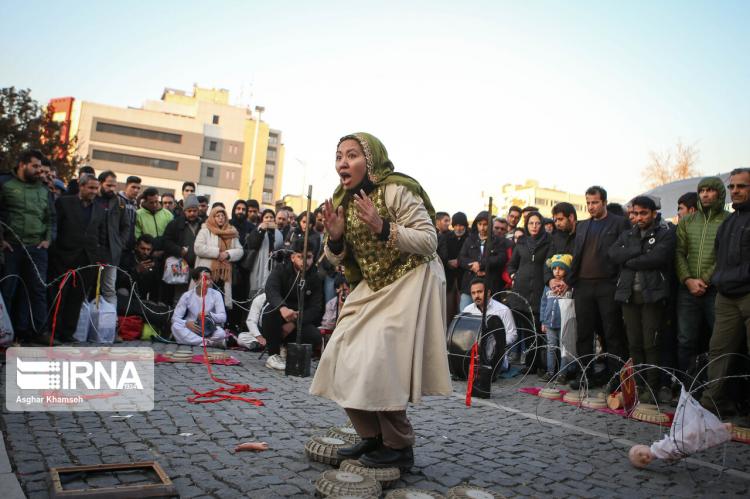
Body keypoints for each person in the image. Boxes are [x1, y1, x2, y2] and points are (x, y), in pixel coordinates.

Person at [310, 132, 452, 470]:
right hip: (375, 283)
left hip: (411, 276)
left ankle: (399, 446)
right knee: (340, 349)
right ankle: (371, 436)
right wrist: (336, 237)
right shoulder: (340, 200)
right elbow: (339, 260)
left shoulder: (397, 189)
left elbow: (429, 240)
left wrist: (382, 225)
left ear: (371, 160)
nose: (343, 162)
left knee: (378, 358)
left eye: (352, 155)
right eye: (339, 156)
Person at [609, 196, 676, 403]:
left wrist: (628, 258)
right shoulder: (628, 234)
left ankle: (653, 386)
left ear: (653, 213)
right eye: (635, 213)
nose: (638, 217)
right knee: (635, 343)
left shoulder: (665, 233)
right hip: (628, 295)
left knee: (651, 343)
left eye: (643, 213)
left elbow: (657, 258)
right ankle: (639, 385)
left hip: (652, 295)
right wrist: (639, 250)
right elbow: (612, 254)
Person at [699, 168, 750, 419]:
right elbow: (719, 256)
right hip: (726, 296)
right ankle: (712, 403)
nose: (735, 191)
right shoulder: (729, 221)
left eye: (742, 186)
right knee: (719, 350)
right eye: (732, 187)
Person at [568, 185, 629, 390]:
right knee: (584, 333)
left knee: (611, 332)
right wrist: (569, 280)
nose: (591, 207)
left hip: (607, 284)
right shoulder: (583, 225)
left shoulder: (619, 222)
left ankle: (616, 378)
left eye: (595, 202)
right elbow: (577, 255)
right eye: (588, 203)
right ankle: (585, 374)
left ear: (604, 202)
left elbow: (623, 254)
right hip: (583, 285)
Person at [675, 177, 729, 379]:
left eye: (710, 190)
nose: (705, 194)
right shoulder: (688, 221)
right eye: (702, 190)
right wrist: (688, 279)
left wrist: (704, 280)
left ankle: (714, 387)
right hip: (687, 289)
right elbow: (679, 252)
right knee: (685, 339)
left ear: (720, 193)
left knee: (718, 340)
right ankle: (684, 385)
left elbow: (725, 255)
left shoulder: (728, 220)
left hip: (715, 290)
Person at [0, 150, 53, 344]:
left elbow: (51, 219)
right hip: (11, 248)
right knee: (8, 289)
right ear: (22, 165)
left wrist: (48, 239)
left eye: (40, 166)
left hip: (37, 249)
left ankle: (40, 332)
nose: (39, 170)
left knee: (38, 290)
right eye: (35, 166)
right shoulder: (5, 184)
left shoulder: (44, 190)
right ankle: (4, 333)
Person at [52, 174, 106, 341]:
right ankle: (53, 332)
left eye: (96, 188)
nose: (93, 191)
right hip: (64, 256)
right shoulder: (64, 203)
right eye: (90, 188)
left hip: (87, 259)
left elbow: (100, 234)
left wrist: (97, 256)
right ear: (81, 186)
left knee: (77, 298)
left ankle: (68, 333)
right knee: (59, 296)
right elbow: (55, 228)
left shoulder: (99, 208)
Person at [262, 237, 323, 370]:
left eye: (309, 257)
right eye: (300, 257)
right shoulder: (281, 269)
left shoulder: (316, 277)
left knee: (315, 336)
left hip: (299, 319)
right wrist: (282, 308)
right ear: (293, 257)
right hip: (279, 313)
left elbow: (315, 308)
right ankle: (273, 355)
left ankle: (287, 347)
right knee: (270, 313)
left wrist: (294, 323)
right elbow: (271, 289)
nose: (305, 261)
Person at [507, 211, 551, 374]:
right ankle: (531, 363)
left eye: (537, 223)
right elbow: (512, 264)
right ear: (526, 225)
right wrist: (513, 275)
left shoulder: (548, 242)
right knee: (526, 330)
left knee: (539, 330)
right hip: (522, 290)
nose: (534, 226)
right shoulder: (522, 242)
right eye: (531, 223)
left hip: (540, 291)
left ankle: (542, 363)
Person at [462, 277, 518, 374]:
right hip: (472, 354)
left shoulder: (503, 310)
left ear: (488, 292)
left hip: (494, 355)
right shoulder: (467, 310)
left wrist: (497, 344)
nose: (476, 296)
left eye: (479, 292)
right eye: (473, 293)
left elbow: (512, 334)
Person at [193, 205, 243, 309]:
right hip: (207, 273)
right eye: (217, 215)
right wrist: (217, 253)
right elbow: (198, 248)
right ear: (212, 217)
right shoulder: (205, 230)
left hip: (223, 277)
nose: (221, 218)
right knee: (202, 304)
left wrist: (228, 254)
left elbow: (240, 251)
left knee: (219, 305)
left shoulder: (232, 232)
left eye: (223, 216)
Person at [458, 211, 507, 311]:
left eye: (485, 224)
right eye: (480, 224)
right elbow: (461, 258)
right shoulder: (470, 240)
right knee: (465, 315)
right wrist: (473, 266)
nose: (482, 227)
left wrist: (481, 264)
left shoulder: (498, 241)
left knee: (490, 317)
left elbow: (501, 258)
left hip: (490, 286)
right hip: (469, 285)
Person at [95, 171, 130, 305]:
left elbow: (126, 226)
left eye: (114, 186)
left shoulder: (119, 202)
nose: (111, 189)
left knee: (109, 289)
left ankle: (109, 322)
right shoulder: (94, 198)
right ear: (100, 183)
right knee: (88, 287)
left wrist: (119, 243)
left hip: (111, 253)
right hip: (93, 251)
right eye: (108, 185)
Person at [539, 254, 574, 382]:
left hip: (564, 323)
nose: (557, 271)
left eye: (561, 268)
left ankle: (562, 374)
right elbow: (543, 303)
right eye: (554, 268)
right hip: (549, 323)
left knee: (564, 348)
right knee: (551, 347)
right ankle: (550, 371)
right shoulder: (548, 286)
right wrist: (543, 321)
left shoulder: (569, 287)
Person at [171, 267, 227, 347]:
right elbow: (175, 318)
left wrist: (209, 314)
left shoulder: (216, 294)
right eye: (204, 279)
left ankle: (198, 341)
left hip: (209, 329)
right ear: (195, 280)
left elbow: (223, 317)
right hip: (192, 328)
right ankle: (207, 342)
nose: (208, 282)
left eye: (209, 279)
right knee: (175, 327)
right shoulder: (187, 296)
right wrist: (186, 323)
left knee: (221, 333)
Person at [437, 211, 468, 323]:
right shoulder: (446, 237)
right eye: (456, 225)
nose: (459, 228)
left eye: (461, 225)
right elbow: (441, 254)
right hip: (449, 277)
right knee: (448, 307)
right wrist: (448, 262)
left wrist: (460, 261)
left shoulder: (469, 238)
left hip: (463, 278)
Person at [246, 208, 284, 297]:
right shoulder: (257, 230)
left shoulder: (279, 234)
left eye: (271, 217)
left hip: (272, 266)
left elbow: (281, 251)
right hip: (258, 265)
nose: (269, 219)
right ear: (262, 219)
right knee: (256, 294)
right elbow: (253, 245)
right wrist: (262, 231)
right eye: (266, 217)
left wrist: (276, 254)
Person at [118, 175, 141, 254]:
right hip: (117, 243)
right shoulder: (117, 200)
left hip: (130, 246)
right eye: (133, 187)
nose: (136, 190)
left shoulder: (136, 204)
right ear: (126, 187)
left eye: (138, 188)